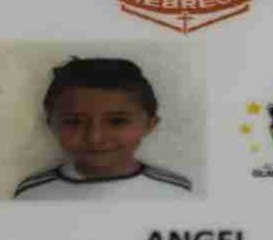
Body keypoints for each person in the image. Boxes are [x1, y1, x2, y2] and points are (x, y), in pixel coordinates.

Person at [15, 56, 191, 199]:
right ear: (51, 126)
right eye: (74, 122)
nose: (95, 137)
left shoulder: (177, 193)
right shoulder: (31, 194)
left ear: (150, 125)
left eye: (117, 121)